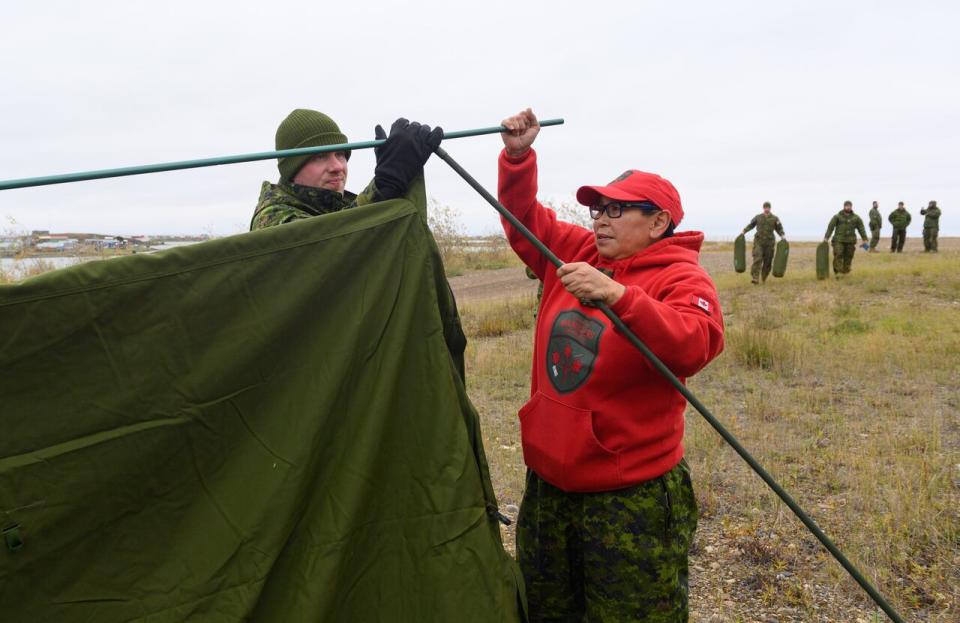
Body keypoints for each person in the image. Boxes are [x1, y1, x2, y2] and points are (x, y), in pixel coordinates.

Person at [498, 108, 724, 622]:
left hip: (630, 497)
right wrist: (517, 158)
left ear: (659, 221)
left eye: (617, 209)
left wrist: (621, 297)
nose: (599, 217)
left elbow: (697, 342)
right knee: (547, 611)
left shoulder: (681, 278)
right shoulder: (578, 253)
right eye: (598, 207)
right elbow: (522, 223)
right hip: (549, 487)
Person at [250, 109, 442, 230]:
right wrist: (384, 185)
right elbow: (330, 250)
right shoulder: (273, 218)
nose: (337, 167)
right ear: (291, 169)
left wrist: (400, 178)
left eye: (341, 154)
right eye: (320, 156)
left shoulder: (336, 208)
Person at [741, 201, 786, 284]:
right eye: (765, 207)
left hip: (769, 243)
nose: (766, 209)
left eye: (768, 207)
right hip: (759, 242)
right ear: (763, 208)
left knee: (767, 261)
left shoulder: (775, 218)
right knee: (757, 258)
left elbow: (779, 228)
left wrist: (782, 236)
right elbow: (751, 225)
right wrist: (744, 231)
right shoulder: (758, 217)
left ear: (770, 208)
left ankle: (764, 277)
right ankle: (755, 278)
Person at [824, 201, 868, 277]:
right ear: (844, 206)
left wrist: (865, 239)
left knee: (849, 256)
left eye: (849, 206)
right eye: (847, 206)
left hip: (850, 241)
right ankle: (838, 272)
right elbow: (830, 227)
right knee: (838, 254)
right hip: (838, 240)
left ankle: (845, 272)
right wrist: (826, 238)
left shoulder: (856, 218)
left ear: (852, 207)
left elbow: (861, 228)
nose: (848, 207)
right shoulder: (837, 217)